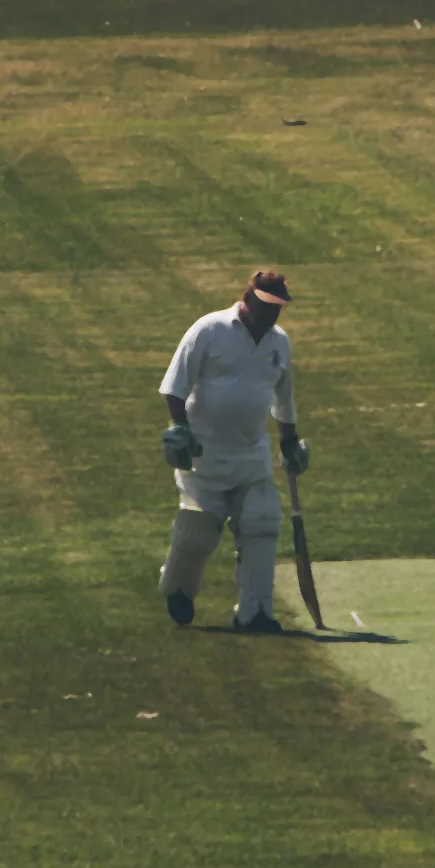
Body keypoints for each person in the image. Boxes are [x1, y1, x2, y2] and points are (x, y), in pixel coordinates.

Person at [156, 269, 309, 632]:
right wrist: (180, 427)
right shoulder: (209, 329)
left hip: (251, 454)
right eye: (266, 305)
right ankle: (178, 588)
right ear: (248, 298)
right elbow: (175, 385)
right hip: (205, 453)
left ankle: (255, 612)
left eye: (278, 306)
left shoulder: (279, 342)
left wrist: (289, 441)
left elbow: (283, 400)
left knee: (262, 521)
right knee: (199, 531)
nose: (272, 313)